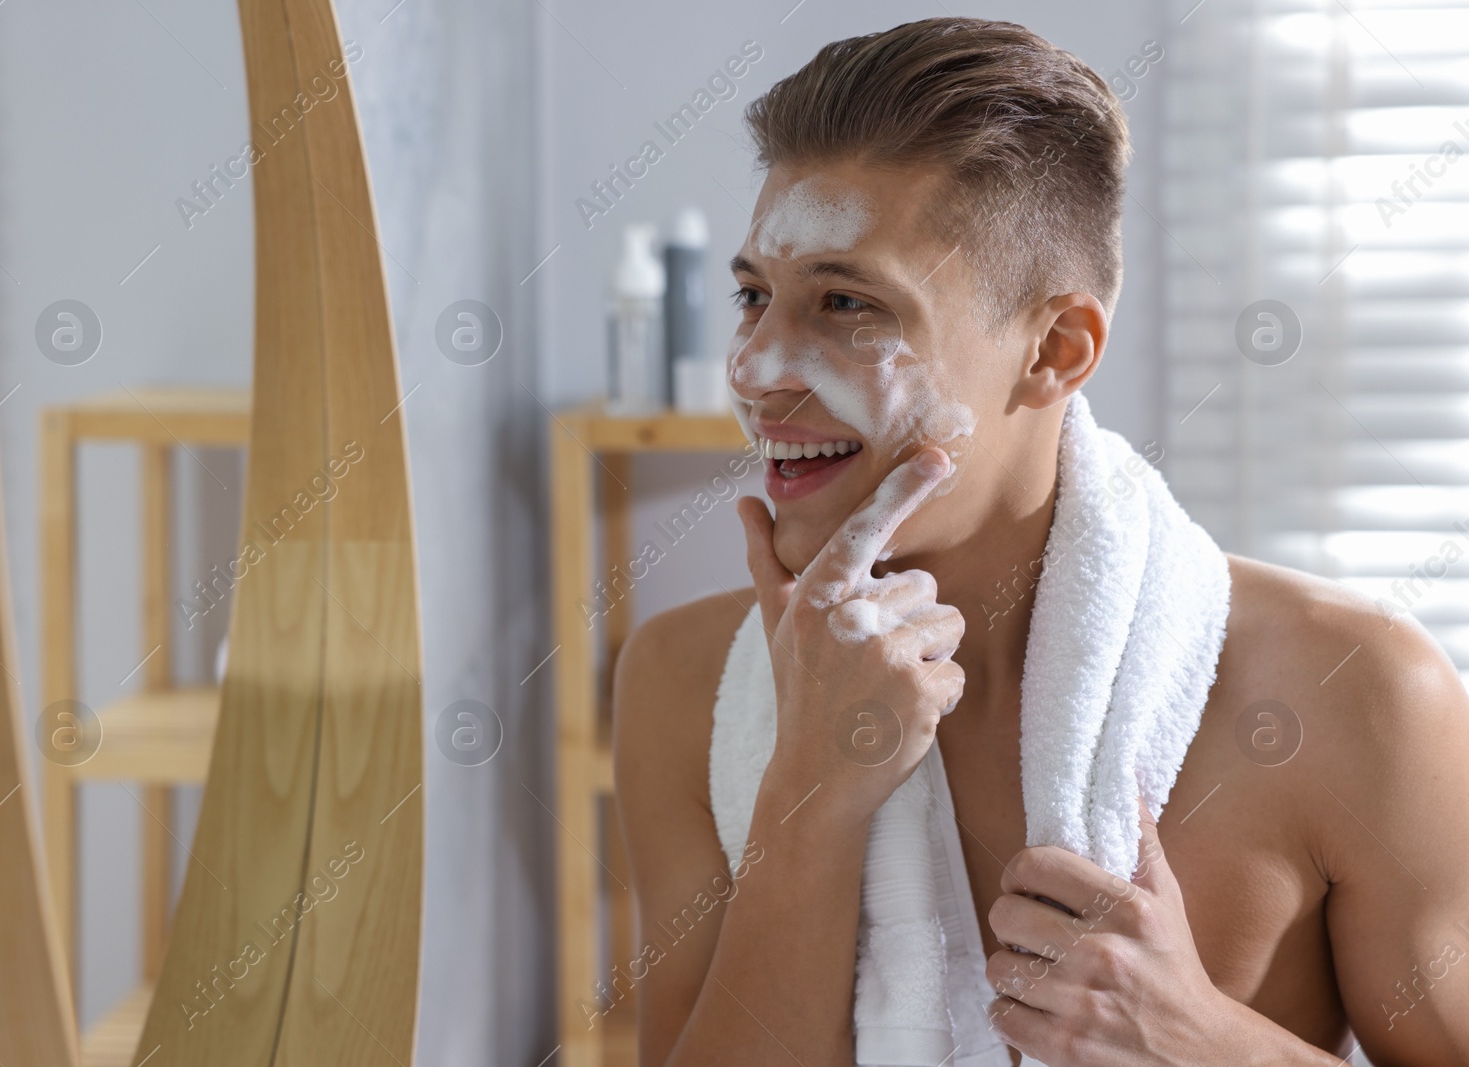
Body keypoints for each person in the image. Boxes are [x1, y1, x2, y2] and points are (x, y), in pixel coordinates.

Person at [612, 17, 1469, 1067]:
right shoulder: (680, 679)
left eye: (844, 303)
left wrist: (1206, 1044)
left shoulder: (1356, 690)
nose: (753, 368)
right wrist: (806, 790)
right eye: (754, 297)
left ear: (1055, 350)